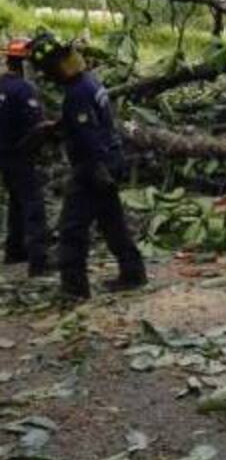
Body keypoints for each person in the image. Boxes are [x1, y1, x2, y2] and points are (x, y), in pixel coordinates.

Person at [30, 31, 146, 301]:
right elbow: (92, 122)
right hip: (110, 160)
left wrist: (95, 169)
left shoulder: (76, 93)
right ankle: (133, 272)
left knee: (71, 228)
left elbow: (88, 133)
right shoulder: (89, 82)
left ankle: (74, 288)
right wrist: (58, 126)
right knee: (112, 222)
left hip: (93, 167)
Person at [0, 38, 51, 277]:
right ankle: (39, 259)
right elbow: (36, 125)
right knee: (33, 204)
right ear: (24, 64)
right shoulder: (23, 89)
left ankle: (14, 250)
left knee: (16, 202)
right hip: (19, 153)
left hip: (4, 154)